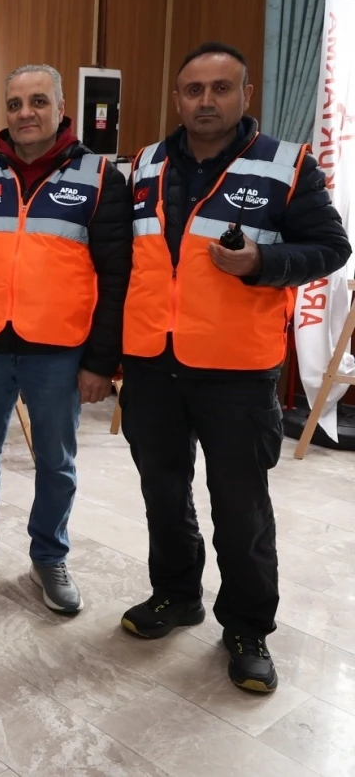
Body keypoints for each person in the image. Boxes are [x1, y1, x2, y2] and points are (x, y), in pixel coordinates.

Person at [119, 42, 350, 693]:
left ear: (245, 95)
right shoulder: (143, 166)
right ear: (177, 98)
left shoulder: (285, 165)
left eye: (221, 88)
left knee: (241, 506)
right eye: (193, 89)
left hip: (236, 371)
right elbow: (121, 266)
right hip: (152, 365)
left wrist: (261, 264)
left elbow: (332, 246)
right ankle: (176, 593)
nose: (206, 100)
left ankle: (247, 626)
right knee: (162, 492)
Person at [0, 63, 131, 614]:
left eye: (38, 101)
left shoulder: (99, 177)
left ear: (61, 108)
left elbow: (117, 278)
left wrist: (101, 362)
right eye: (16, 103)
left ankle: (49, 555)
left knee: (56, 461)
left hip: (59, 351)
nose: (26, 113)